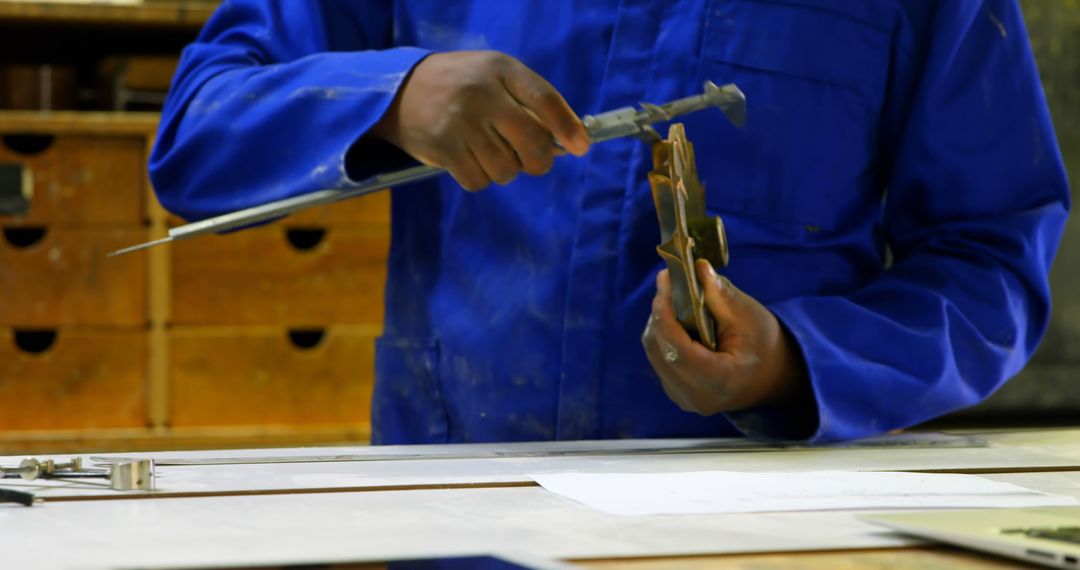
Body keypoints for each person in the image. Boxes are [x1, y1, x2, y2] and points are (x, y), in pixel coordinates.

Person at [149, 1, 1069, 444]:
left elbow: (992, 262)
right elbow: (195, 133)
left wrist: (798, 363)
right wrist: (393, 96)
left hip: (764, 529)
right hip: (462, 505)